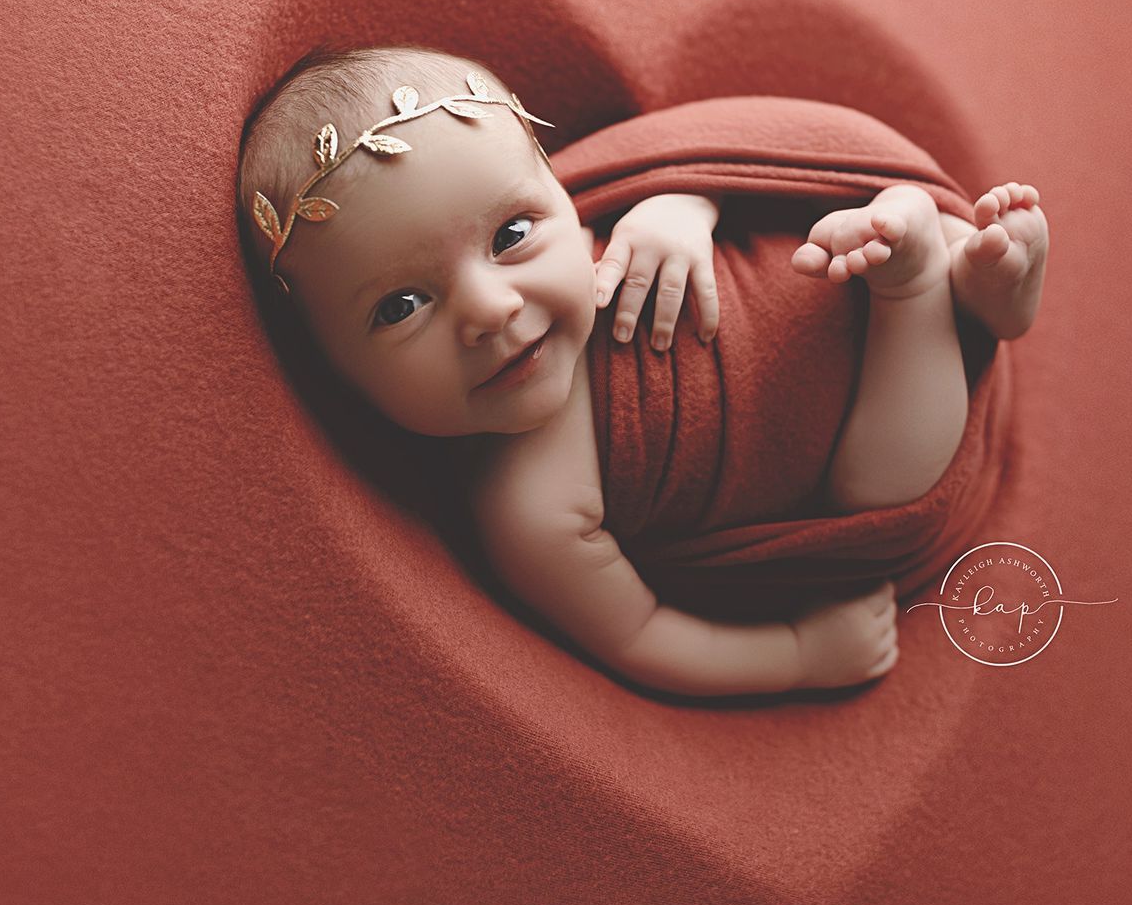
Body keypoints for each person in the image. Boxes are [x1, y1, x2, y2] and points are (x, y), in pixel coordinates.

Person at [237, 43, 1049, 698]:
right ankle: (926, 293)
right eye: (401, 306)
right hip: (852, 432)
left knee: (891, 230)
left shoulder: (604, 227)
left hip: (814, 271)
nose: (489, 307)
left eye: (513, 234)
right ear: (334, 372)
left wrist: (680, 205)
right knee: (887, 476)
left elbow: (679, 156)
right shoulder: (531, 513)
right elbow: (644, 636)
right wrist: (800, 655)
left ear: (557, 190)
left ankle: (979, 278)